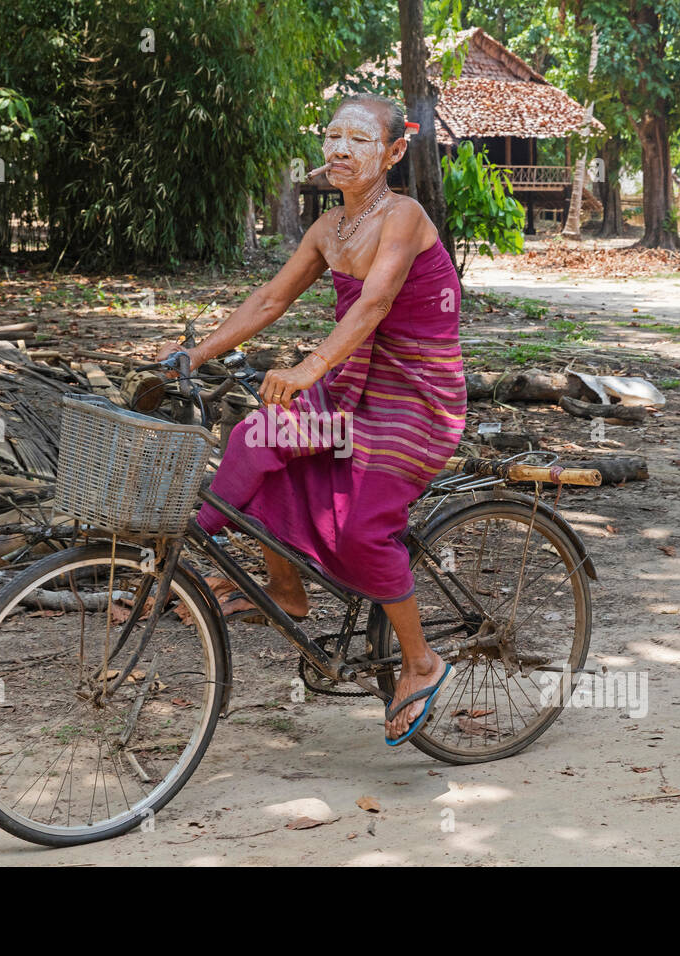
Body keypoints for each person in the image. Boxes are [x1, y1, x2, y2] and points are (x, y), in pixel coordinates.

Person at [155, 94, 466, 744]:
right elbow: (269, 298)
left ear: (394, 153)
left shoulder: (403, 217)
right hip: (352, 389)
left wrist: (306, 370)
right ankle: (282, 588)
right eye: (332, 137)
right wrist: (196, 351)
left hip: (414, 401)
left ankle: (421, 660)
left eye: (358, 139)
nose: (340, 151)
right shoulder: (328, 228)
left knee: (363, 535)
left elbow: (375, 303)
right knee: (256, 441)